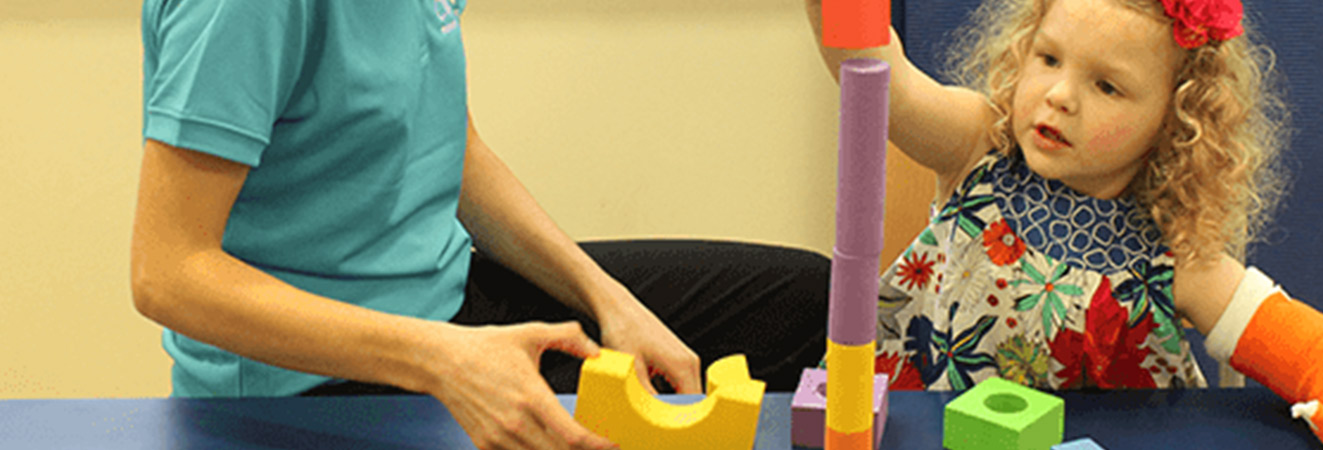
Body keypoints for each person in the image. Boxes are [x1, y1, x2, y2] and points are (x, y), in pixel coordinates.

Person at [132, 2, 827, 449]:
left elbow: (447, 146)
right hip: (315, 384)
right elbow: (167, 273)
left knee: (804, 306)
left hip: (449, 305)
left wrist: (610, 299)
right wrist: (444, 361)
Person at [805, 0, 1323, 447]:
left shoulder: (1178, 259)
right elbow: (883, 78)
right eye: (1047, 58)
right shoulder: (976, 146)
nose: (1059, 95)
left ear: (1171, 122)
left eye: (1107, 86)